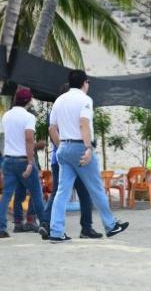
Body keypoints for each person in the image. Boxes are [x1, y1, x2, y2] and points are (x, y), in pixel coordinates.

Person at [47, 70, 130, 242]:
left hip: (64, 147)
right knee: (96, 188)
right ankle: (111, 225)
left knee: (62, 192)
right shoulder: (85, 100)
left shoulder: (59, 100)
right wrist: (88, 148)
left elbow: (51, 128)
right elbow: (84, 124)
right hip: (80, 147)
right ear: (84, 83)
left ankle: (55, 231)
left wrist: (60, 146)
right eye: (88, 82)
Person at [39, 108, 100, 241]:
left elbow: (52, 130)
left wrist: (61, 148)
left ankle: (45, 223)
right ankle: (86, 228)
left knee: (57, 193)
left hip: (57, 159)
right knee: (84, 193)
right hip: (75, 159)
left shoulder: (56, 112)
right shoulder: (74, 113)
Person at [0, 87, 47, 239]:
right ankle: (45, 224)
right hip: (23, 160)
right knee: (37, 193)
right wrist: (31, 162)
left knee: (7, 195)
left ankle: (2, 227)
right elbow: (29, 139)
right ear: (29, 101)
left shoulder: (6, 116)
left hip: (8, 160)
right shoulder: (28, 117)